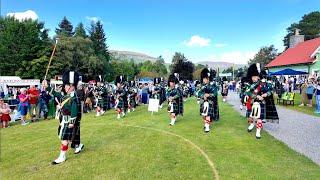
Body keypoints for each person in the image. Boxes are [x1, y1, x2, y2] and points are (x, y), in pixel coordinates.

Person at [52, 71, 84, 165]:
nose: (64, 87)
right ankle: (74, 147)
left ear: (71, 86)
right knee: (63, 138)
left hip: (68, 121)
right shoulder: (68, 95)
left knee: (64, 139)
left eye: (66, 85)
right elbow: (58, 95)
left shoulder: (73, 97)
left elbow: (74, 110)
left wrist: (72, 122)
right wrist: (47, 87)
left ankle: (62, 156)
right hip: (64, 121)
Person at [245, 63, 279, 139]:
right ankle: (252, 124)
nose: (253, 78)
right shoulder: (253, 85)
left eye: (254, 77)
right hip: (253, 103)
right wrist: (256, 96)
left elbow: (272, 90)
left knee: (259, 118)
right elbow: (247, 92)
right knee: (252, 116)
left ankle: (258, 131)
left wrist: (266, 94)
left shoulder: (265, 84)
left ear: (258, 76)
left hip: (262, 103)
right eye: (252, 77)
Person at [198, 68, 219, 133]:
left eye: (205, 78)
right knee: (204, 115)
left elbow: (215, 93)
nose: (204, 80)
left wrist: (208, 95)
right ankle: (206, 123)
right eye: (203, 78)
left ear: (208, 78)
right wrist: (203, 96)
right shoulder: (202, 86)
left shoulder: (213, 85)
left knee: (208, 115)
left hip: (210, 102)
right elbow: (198, 93)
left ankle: (207, 126)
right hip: (203, 103)